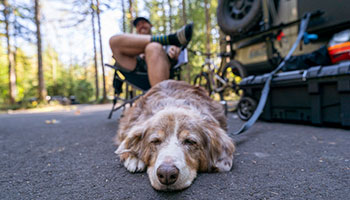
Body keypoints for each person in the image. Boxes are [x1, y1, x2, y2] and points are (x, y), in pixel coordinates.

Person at [109, 17, 193, 87]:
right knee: (113, 41)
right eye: (138, 25)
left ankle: (160, 98)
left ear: (150, 25)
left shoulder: (166, 46)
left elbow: (175, 54)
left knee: (153, 47)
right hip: (136, 71)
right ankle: (171, 39)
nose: (141, 25)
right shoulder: (128, 42)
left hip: (160, 68)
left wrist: (175, 50)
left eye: (143, 23)